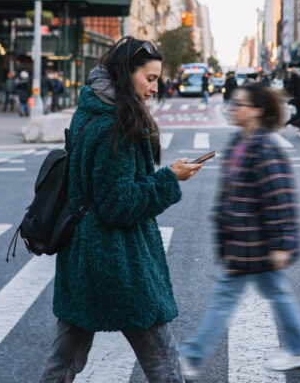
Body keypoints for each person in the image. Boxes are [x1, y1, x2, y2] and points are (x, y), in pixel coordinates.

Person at [39, 36, 204, 383]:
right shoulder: (118, 126)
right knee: (163, 360)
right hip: (119, 260)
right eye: (150, 78)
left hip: (82, 255)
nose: (156, 88)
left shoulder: (92, 107)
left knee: (65, 358)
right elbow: (120, 204)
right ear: (126, 74)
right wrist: (170, 179)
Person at [179, 83, 300, 379]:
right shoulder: (239, 143)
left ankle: (192, 355)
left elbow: (280, 199)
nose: (233, 108)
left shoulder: (265, 148)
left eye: (239, 104)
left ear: (256, 111)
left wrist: (282, 244)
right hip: (245, 240)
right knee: (277, 293)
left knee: (225, 299)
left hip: (253, 243)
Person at [284, 67, 300, 136]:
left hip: (297, 99)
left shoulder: (293, 79)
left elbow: (290, 89)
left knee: (299, 114)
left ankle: (287, 124)